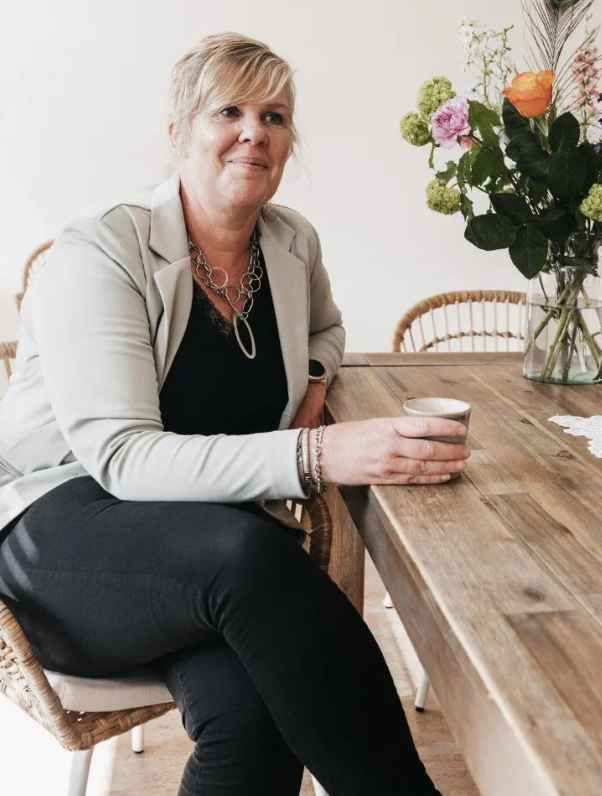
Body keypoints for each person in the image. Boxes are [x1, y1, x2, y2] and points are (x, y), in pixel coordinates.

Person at [0, 32, 469, 796]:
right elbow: (122, 457)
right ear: (179, 131)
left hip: (205, 561)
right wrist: (319, 455)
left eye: (274, 116)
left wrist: (313, 380)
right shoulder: (102, 249)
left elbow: (327, 329)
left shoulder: (290, 242)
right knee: (256, 558)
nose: (255, 132)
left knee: (257, 718)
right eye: (230, 111)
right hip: (62, 535)